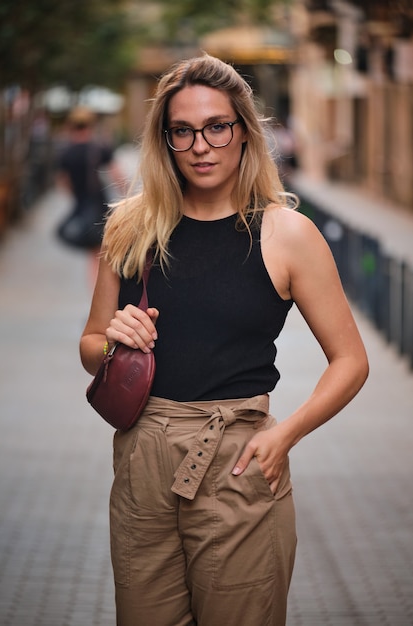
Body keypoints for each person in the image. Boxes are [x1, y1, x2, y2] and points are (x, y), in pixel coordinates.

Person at [80, 53, 369, 626]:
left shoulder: (286, 234)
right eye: (182, 131)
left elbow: (351, 360)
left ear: (243, 131)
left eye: (217, 126)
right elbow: (91, 346)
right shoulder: (132, 227)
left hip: (238, 458)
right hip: (142, 457)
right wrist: (113, 340)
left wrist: (284, 435)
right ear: (165, 139)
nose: (201, 146)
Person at [56, 106, 123, 285]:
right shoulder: (99, 148)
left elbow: (63, 182)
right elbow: (116, 175)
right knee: (99, 256)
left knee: (93, 255)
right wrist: (128, 193)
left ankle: (95, 298)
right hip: (98, 206)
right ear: (90, 125)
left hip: (81, 205)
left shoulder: (66, 152)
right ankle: (99, 298)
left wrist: (77, 195)